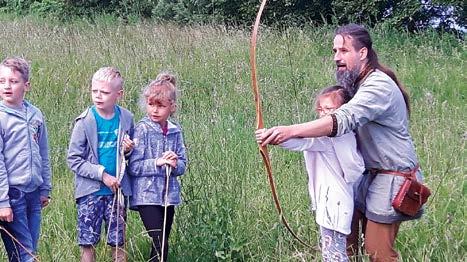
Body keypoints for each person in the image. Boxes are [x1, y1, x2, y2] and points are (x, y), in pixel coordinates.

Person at [256, 24, 424, 261]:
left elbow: (341, 120)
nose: (337, 57)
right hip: (368, 177)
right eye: (335, 51)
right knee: (349, 245)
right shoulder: (359, 83)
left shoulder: (378, 85)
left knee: (379, 252)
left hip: (392, 178)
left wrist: (289, 131)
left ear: (362, 53)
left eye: (344, 51)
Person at [268, 85, 364, 261]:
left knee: (334, 256)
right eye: (321, 110)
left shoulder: (330, 138)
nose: (323, 115)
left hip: (333, 207)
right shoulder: (344, 135)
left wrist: (271, 136)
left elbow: (300, 142)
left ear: (343, 110)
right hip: (336, 204)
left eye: (329, 109)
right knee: (335, 253)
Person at [67, 67, 134, 262]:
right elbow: (74, 159)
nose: (98, 96)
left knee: (118, 242)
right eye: (94, 91)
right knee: (88, 243)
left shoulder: (126, 118)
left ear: (118, 95)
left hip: (117, 192)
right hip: (90, 193)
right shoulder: (85, 121)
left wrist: (129, 149)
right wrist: (102, 174)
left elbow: (132, 155)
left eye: (104, 92)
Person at [129, 72, 187, 262]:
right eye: (151, 104)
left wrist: (175, 162)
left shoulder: (175, 131)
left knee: (161, 245)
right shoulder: (142, 129)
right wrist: (158, 162)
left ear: (172, 107)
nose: (154, 110)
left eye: (160, 106)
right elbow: (134, 167)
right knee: (160, 241)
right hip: (147, 196)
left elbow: (183, 166)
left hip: (168, 197)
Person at [0, 57, 52, 261]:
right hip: (12, 196)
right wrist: (3, 201)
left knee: (27, 251)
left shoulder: (35, 115)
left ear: (26, 85)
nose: (6, 86)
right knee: (26, 254)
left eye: (13, 81)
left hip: (34, 193)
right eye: (2, 81)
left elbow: (43, 153)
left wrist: (45, 188)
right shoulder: (1, 117)